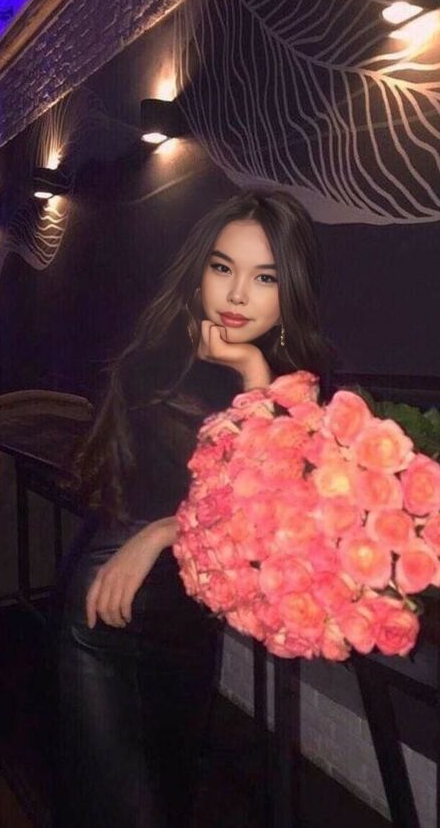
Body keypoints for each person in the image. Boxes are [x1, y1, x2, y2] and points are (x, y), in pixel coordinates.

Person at [56, 189, 334, 828]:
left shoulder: (293, 380)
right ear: (200, 269)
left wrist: (253, 369)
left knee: (171, 797)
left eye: (264, 277)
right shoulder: (158, 360)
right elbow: (221, 492)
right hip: (109, 605)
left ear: (289, 289)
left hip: (185, 617)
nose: (237, 295)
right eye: (223, 267)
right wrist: (160, 527)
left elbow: (274, 512)